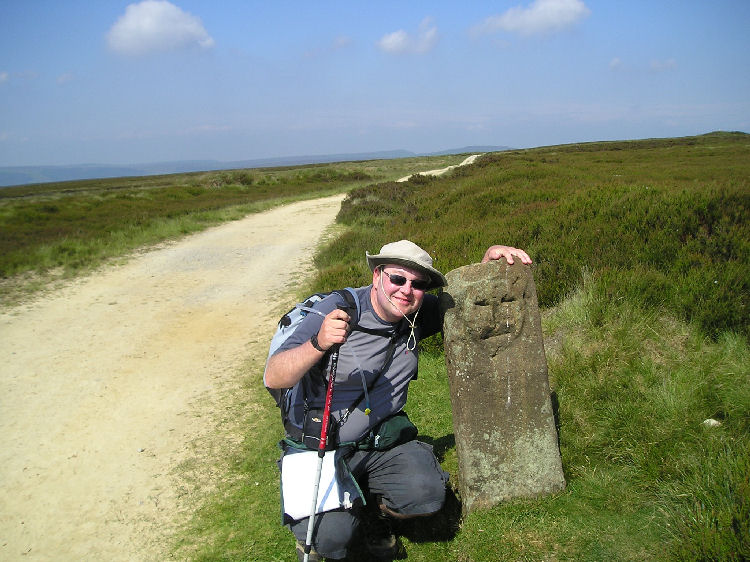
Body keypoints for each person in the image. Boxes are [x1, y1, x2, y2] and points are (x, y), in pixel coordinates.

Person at [264, 240, 532, 561]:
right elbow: (274, 376)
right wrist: (318, 343)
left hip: (378, 442)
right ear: (378, 275)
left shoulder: (415, 315)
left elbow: (469, 302)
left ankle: (374, 517)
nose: (407, 290)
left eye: (418, 284)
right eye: (398, 278)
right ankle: (329, 527)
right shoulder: (335, 310)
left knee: (427, 495)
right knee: (333, 539)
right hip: (319, 446)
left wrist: (487, 265)